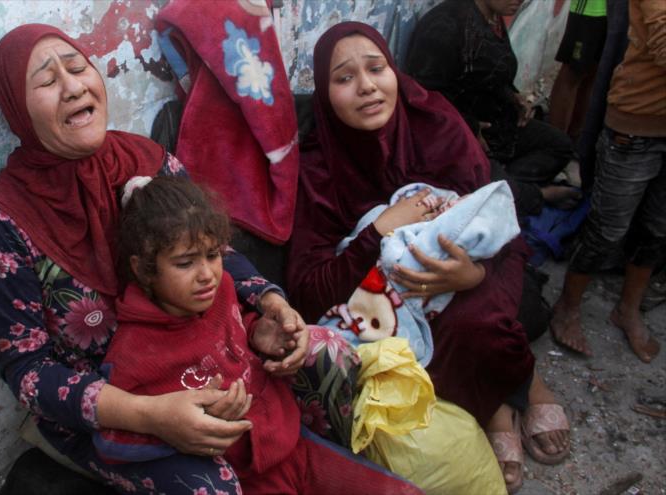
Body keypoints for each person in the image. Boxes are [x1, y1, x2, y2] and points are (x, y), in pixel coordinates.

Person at [0, 24, 309, 494]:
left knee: (323, 353)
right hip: (112, 414)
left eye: (78, 66)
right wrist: (151, 415)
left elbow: (215, 252)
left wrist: (270, 306)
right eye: (46, 81)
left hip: (200, 356)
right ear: (18, 111)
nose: (72, 86)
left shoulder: (147, 161)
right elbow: (28, 373)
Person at [286, 22, 570, 493]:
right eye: (343, 78)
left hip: (478, 267)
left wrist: (472, 275)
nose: (367, 86)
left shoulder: (436, 122)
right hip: (393, 297)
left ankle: (525, 388)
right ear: (324, 92)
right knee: (402, 351)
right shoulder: (320, 169)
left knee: (484, 319)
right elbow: (309, 290)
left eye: (376, 68)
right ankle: (496, 405)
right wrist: (379, 230)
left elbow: (500, 226)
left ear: (394, 71)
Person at [95, 175, 421, 494]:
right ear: (142, 269)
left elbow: (232, 327)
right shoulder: (133, 354)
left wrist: (257, 333)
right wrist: (183, 423)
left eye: (212, 256)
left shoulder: (222, 291)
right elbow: (112, 441)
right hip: (244, 478)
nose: (206, 274)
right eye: (185, 263)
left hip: (295, 444)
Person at [550, 0, 664, 363]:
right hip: (636, 126)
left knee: (657, 229)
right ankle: (567, 306)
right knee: (607, 230)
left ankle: (627, 309)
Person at [405, 0, 580, 215]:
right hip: (456, 138)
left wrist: (513, 95)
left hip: (497, 124)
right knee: (486, 180)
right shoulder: (444, 26)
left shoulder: (492, 16)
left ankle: (503, 189)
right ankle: (531, 194)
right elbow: (424, 97)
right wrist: (469, 128)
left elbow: (491, 69)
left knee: (560, 146)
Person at [322, 180, 520, 368]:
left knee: (488, 327)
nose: (451, 206)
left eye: (460, 206)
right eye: (457, 202)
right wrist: (380, 228)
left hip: (428, 293)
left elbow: (499, 239)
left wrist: (477, 273)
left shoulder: (451, 230)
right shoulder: (433, 198)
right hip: (356, 274)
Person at [548, 0, 608, 143]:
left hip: (614, 10)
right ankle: (555, 141)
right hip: (589, 9)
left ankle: (575, 136)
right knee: (572, 73)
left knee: (593, 73)